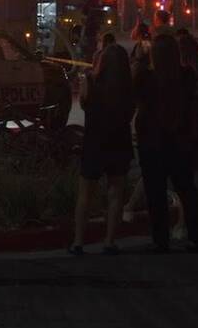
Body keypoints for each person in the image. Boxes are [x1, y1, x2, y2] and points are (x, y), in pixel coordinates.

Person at [134, 35, 198, 252]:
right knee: (186, 188)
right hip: (180, 141)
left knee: (155, 193)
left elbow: (135, 98)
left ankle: (160, 240)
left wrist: (139, 60)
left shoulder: (146, 77)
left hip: (152, 142)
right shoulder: (186, 76)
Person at [69, 43, 135, 255]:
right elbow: (130, 112)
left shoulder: (90, 81)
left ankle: (78, 242)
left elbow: (84, 104)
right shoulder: (128, 87)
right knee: (116, 192)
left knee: (85, 194)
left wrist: (87, 78)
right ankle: (109, 241)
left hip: (95, 140)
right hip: (120, 140)